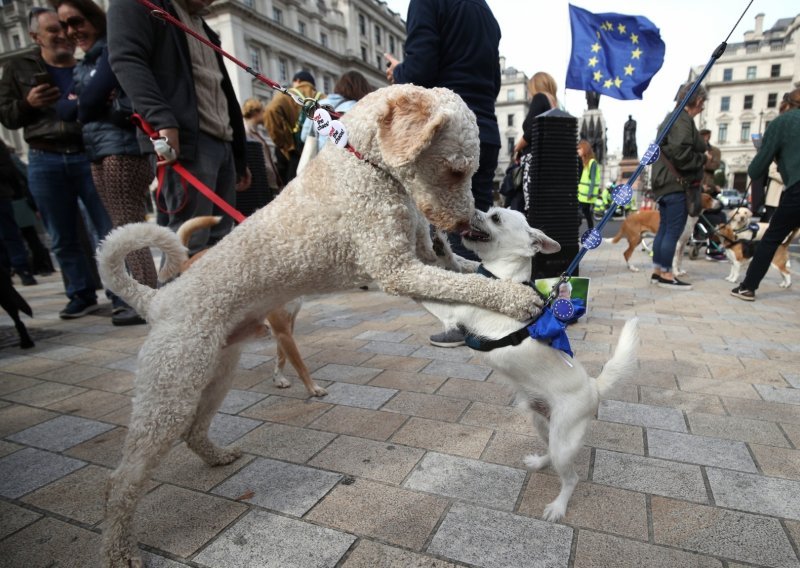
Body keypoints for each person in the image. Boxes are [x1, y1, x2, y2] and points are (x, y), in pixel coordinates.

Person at [385, 0, 502, 348]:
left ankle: (461, 319)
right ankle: (490, 312)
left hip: (448, 127)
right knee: (476, 225)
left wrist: (398, 72)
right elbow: (493, 81)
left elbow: (421, 67)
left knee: (450, 224)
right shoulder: (484, 11)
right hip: (483, 126)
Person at [107, 0, 249, 256]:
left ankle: (210, 296)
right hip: (185, 142)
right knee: (186, 244)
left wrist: (239, 153)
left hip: (222, 140)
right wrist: (162, 120)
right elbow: (126, 59)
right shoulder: (141, 5)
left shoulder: (200, 23)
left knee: (220, 244)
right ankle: (177, 296)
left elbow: (221, 87)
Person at [0, 7, 114, 319]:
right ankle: (80, 293)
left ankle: (120, 294)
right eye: (53, 29)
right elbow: (7, 116)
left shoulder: (85, 66)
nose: (63, 34)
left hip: (86, 151)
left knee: (106, 229)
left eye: (65, 27)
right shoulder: (17, 68)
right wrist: (28, 103)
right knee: (62, 234)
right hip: (43, 155)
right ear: (35, 36)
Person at [54, 0, 156, 326]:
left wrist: (84, 103)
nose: (71, 31)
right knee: (123, 226)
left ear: (95, 18)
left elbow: (84, 104)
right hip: (101, 149)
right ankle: (146, 297)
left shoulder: (110, 50)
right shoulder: (86, 62)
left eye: (76, 21)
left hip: (121, 150)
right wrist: (85, 102)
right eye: (64, 25)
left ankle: (147, 299)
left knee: (128, 227)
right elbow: (66, 109)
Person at [731, 88, 800, 301]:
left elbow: (756, 169)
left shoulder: (784, 122)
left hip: (797, 189)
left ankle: (748, 287)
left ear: (786, 104)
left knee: (772, 237)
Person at [650, 83, 712, 290]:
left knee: (664, 229)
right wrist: (702, 158)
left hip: (664, 182)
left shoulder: (672, 118)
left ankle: (658, 271)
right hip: (675, 183)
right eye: (703, 103)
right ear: (699, 100)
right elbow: (680, 153)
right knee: (672, 230)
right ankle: (667, 274)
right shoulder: (682, 120)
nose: (703, 107)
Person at [262, 70, 324, 187]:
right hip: (318, 153)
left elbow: (270, 111)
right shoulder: (322, 97)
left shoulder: (288, 95)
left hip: (295, 155)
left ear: (297, 81)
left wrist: (286, 144)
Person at [302, 70, 373, 152]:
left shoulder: (319, 105)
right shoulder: (359, 108)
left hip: (321, 159)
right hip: (345, 160)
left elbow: (304, 136)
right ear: (362, 89)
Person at [238, 98, 281, 217]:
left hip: (266, 182)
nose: (264, 115)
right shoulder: (246, 132)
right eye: (262, 111)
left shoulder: (256, 132)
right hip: (258, 186)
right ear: (256, 112)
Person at [577, 139, 601, 231]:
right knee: (587, 216)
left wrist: (590, 193)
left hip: (586, 196)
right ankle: (591, 234)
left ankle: (572, 234)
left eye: (579, 148)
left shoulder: (592, 163)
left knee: (579, 216)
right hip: (582, 195)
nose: (577, 150)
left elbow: (593, 179)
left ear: (585, 149)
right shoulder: (584, 162)